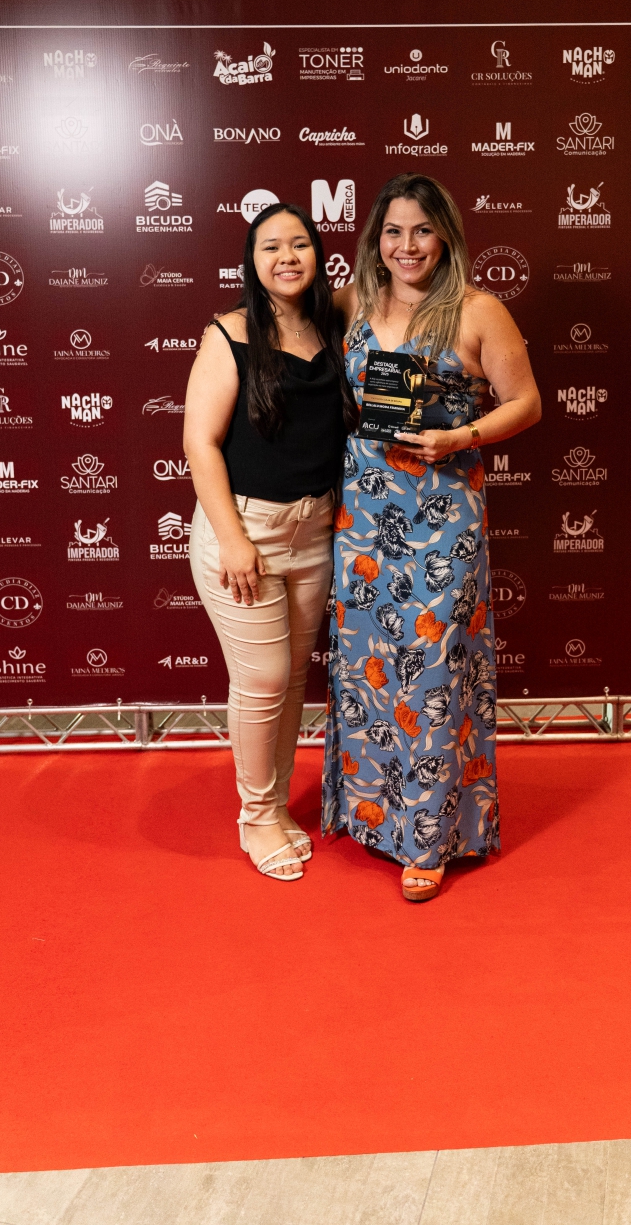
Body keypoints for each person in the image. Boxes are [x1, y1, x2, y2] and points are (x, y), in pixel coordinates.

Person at [322, 173, 541, 902]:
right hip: (363, 516)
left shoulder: (478, 310)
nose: (407, 245)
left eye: (421, 230)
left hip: (444, 514)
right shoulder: (352, 303)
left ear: (444, 235)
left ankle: (430, 838)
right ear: (375, 239)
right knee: (368, 669)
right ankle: (369, 814)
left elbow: (526, 403)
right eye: (393, 231)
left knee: (435, 673)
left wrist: (461, 436)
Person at [184, 203, 357, 881]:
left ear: (318, 254)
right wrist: (232, 541)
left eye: (300, 244)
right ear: (251, 262)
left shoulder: (334, 322)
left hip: (316, 531)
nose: (287, 257)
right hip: (245, 531)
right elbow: (200, 443)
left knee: (290, 681)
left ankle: (275, 805)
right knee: (262, 680)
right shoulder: (228, 333)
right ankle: (255, 817)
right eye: (271, 247)